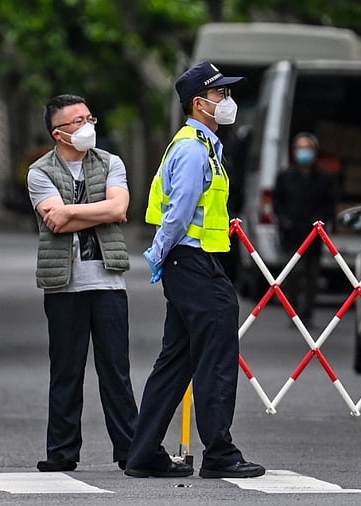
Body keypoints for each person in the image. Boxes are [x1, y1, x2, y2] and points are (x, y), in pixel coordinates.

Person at [125, 61, 265, 479]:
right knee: (216, 357)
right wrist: (159, 252)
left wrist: (165, 257)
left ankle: (143, 453)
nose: (227, 101)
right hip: (194, 264)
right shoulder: (190, 148)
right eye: (220, 94)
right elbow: (181, 209)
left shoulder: (202, 145)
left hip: (191, 263)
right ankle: (219, 453)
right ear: (199, 104)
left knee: (176, 360)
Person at [27, 94, 139, 473]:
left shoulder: (111, 163)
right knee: (65, 370)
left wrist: (70, 210)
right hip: (64, 284)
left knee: (116, 371)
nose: (88, 125)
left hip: (108, 283)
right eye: (78, 121)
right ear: (59, 133)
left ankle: (130, 449)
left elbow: (119, 208)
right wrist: (97, 212)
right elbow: (54, 223)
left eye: (89, 116)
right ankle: (61, 452)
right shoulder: (39, 172)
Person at [273, 132, 336, 325]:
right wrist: (284, 221)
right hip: (292, 233)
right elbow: (277, 202)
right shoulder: (285, 176)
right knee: (292, 274)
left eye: (307, 148)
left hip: (314, 234)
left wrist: (320, 222)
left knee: (312, 275)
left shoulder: (324, 178)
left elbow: (329, 204)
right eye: (300, 148)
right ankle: (293, 313)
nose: (304, 152)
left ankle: (307, 313)